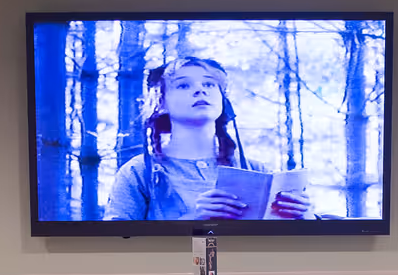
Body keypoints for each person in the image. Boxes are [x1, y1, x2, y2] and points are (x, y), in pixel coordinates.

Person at [103, 57, 315, 221]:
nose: (200, 90)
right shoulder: (138, 172)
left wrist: (305, 217)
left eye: (210, 84)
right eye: (183, 85)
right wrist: (193, 220)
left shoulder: (257, 170)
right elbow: (113, 245)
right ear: (161, 102)